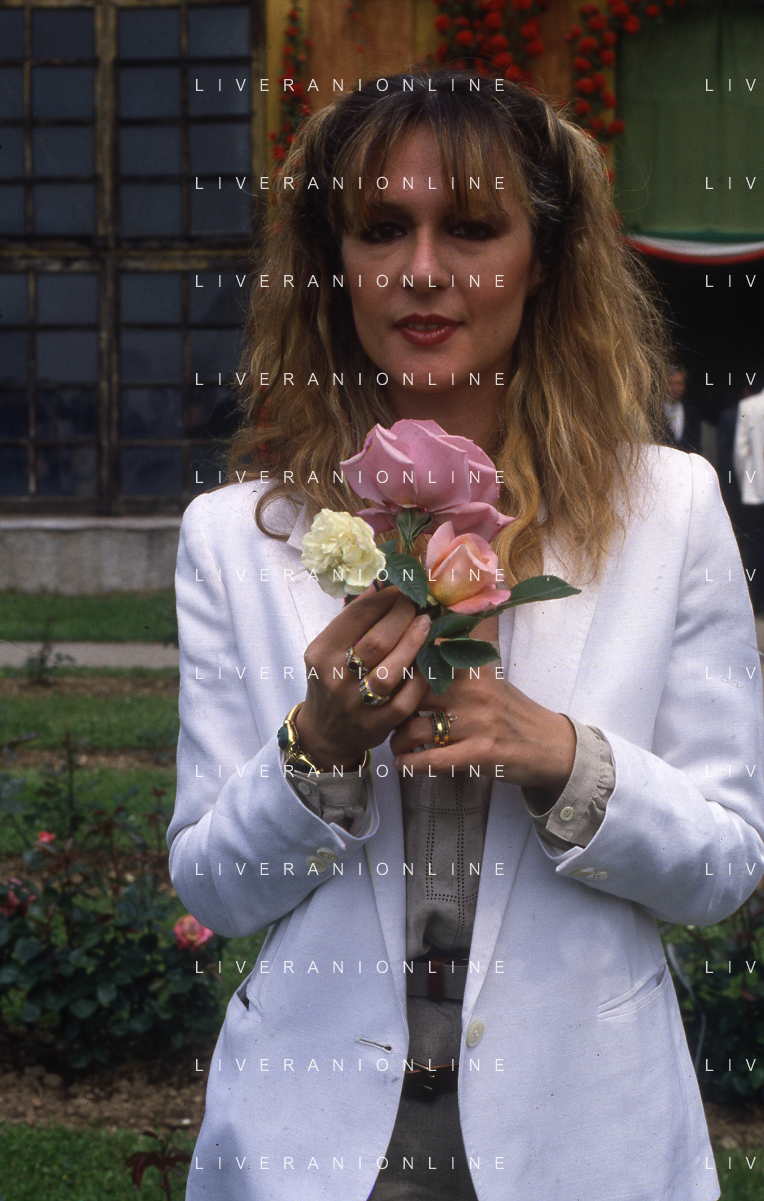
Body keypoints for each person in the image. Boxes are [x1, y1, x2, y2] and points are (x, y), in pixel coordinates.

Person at [167, 70, 764, 1201]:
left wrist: (569, 761)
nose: (423, 269)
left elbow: (725, 865)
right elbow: (215, 886)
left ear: (545, 260)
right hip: (312, 1146)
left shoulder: (668, 508)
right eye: (381, 228)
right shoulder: (237, 538)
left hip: (583, 1137)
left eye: (474, 228)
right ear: (335, 262)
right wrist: (313, 751)